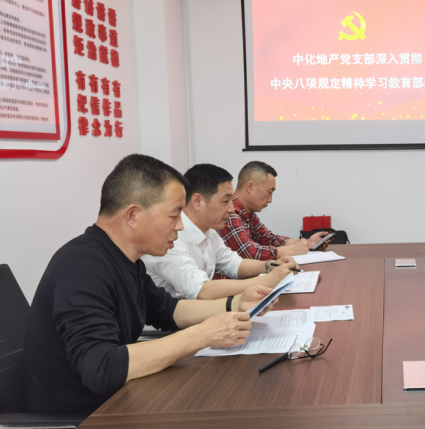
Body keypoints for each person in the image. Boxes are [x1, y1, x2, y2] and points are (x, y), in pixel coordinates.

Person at [24, 154, 283, 416]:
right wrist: (203, 335)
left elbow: (168, 310)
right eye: (174, 214)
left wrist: (236, 304)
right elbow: (101, 367)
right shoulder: (83, 267)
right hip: (83, 415)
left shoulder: (128, 261)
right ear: (133, 215)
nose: (180, 226)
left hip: (120, 397)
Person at [143, 164, 297, 300]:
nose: (232, 208)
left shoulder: (209, 231)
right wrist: (267, 280)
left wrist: (271, 265)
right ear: (197, 201)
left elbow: (235, 264)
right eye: (225, 201)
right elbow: (201, 290)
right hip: (170, 321)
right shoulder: (171, 238)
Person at [218, 161, 330, 278]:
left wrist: (306, 243)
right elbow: (248, 252)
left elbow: (268, 238)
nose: (270, 200)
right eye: (269, 192)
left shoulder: (248, 213)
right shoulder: (230, 212)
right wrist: (291, 250)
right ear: (250, 187)